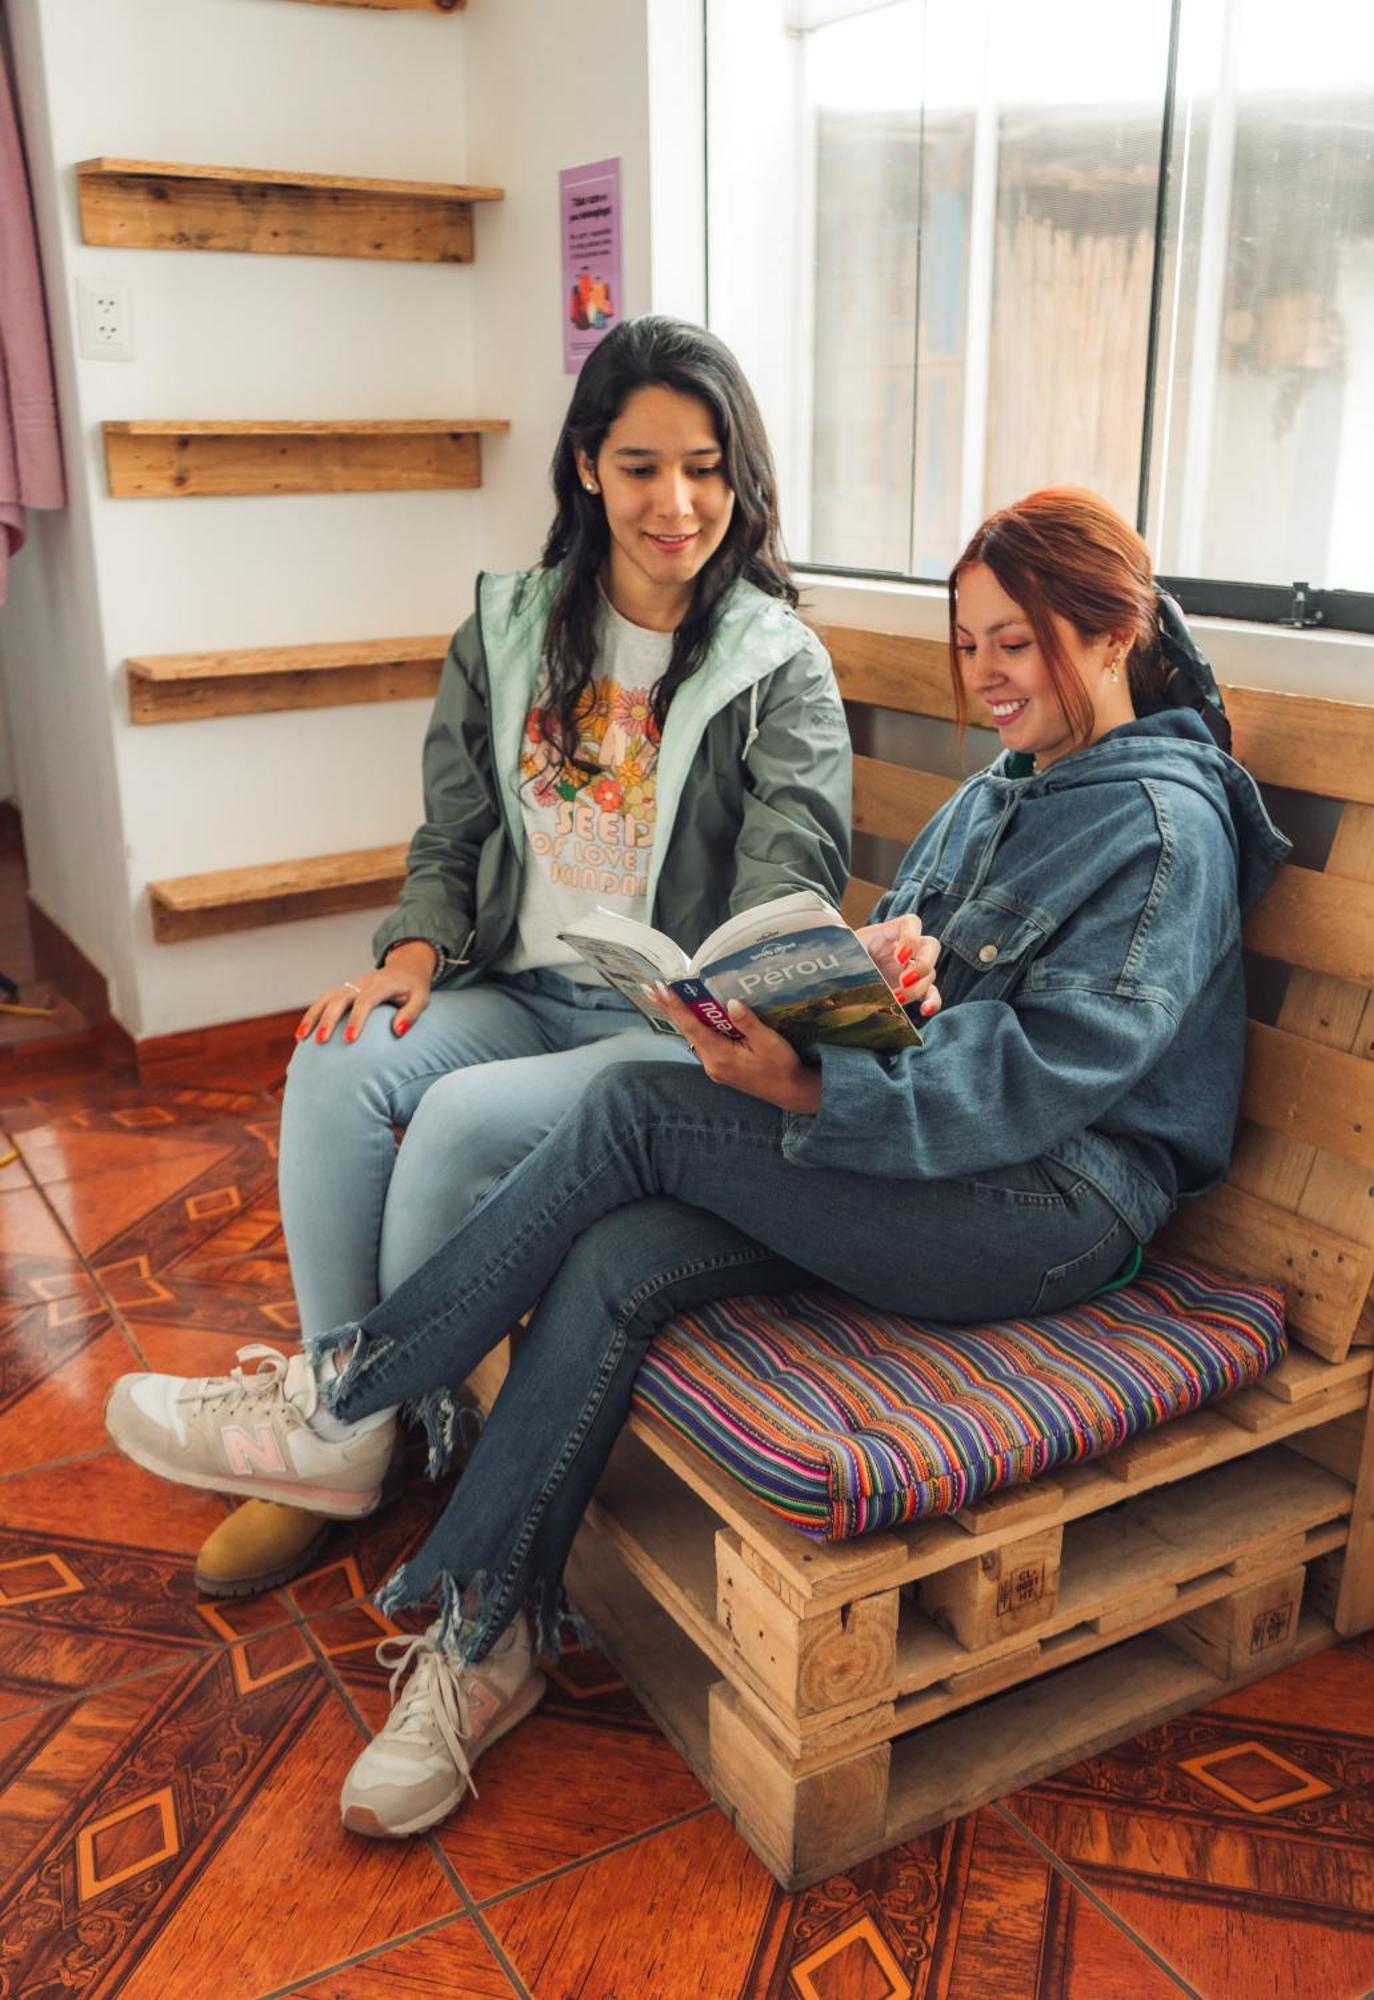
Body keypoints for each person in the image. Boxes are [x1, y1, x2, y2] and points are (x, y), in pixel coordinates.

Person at [106, 485, 1290, 1839]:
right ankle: (489, 1644)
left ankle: (347, 1404)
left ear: (1114, 629)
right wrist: (866, 987)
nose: (987, 676)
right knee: (617, 1254)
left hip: (1056, 1214)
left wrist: (808, 1077)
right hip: (939, 1179)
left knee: (637, 1110)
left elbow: (1037, 1080)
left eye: (1016, 643)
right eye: (972, 645)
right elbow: (918, 992)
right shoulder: (1000, 794)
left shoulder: (1157, 828)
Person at [193, 316, 853, 1600]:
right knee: (340, 1058)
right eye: (644, 463)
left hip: (653, 1031)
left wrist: (737, 979)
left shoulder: (780, 666)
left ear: (742, 478)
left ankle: (347, 1433)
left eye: (709, 466)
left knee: (452, 1121)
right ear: (587, 468)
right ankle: (358, 1431)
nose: (679, 501)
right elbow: (457, 829)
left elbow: (791, 873)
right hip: (511, 987)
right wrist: (416, 948)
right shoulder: (508, 628)